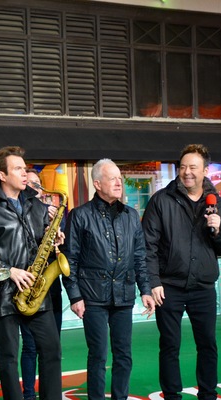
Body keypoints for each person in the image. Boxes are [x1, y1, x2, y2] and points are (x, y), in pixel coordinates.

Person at [142, 144, 221, 400]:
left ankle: (208, 394)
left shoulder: (217, 204)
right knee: (170, 346)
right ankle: (171, 395)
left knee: (207, 345)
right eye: (182, 167)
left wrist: (218, 231)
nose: (187, 172)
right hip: (168, 287)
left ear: (205, 170)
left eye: (193, 167)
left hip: (204, 288)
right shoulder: (161, 200)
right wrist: (153, 282)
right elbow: (147, 246)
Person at [62, 158, 155, 400]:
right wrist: (75, 295)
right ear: (97, 184)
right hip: (92, 298)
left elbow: (139, 257)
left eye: (119, 178)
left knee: (124, 355)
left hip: (123, 296)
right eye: (112, 178)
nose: (118, 182)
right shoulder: (80, 215)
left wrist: (145, 289)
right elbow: (69, 260)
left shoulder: (131, 216)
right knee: (98, 355)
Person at [0, 146, 62, 400]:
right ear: (2, 175)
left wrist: (54, 239)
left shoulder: (36, 204)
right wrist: (9, 271)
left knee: (51, 350)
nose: (25, 173)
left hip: (36, 289)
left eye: (25, 168)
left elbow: (38, 243)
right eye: (18, 169)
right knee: (9, 357)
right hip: (3, 293)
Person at [20, 168, 63, 400]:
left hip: (51, 287)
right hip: (30, 286)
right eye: (32, 183)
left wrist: (57, 237)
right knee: (30, 346)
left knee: (52, 347)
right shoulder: (21, 211)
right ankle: (28, 394)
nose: (37, 188)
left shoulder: (51, 212)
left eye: (39, 184)